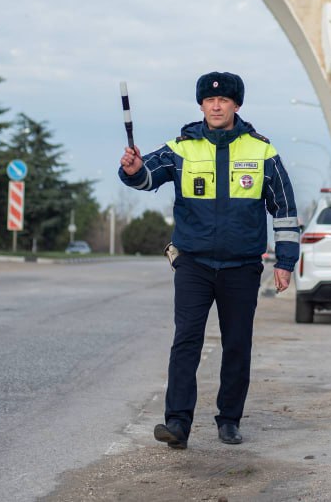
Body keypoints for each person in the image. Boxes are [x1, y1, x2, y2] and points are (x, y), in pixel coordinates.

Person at [118, 71, 300, 449]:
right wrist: (131, 170)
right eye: (209, 100)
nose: (216, 105)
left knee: (237, 344)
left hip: (242, 267)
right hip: (194, 265)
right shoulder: (181, 148)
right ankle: (178, 423)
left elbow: (284, 208)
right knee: (186, 341)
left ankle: (229, 420)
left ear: (236, 105)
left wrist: (285, 261)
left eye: (224, 100)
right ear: (201, 105)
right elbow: (145, 175)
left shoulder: (261, 151)